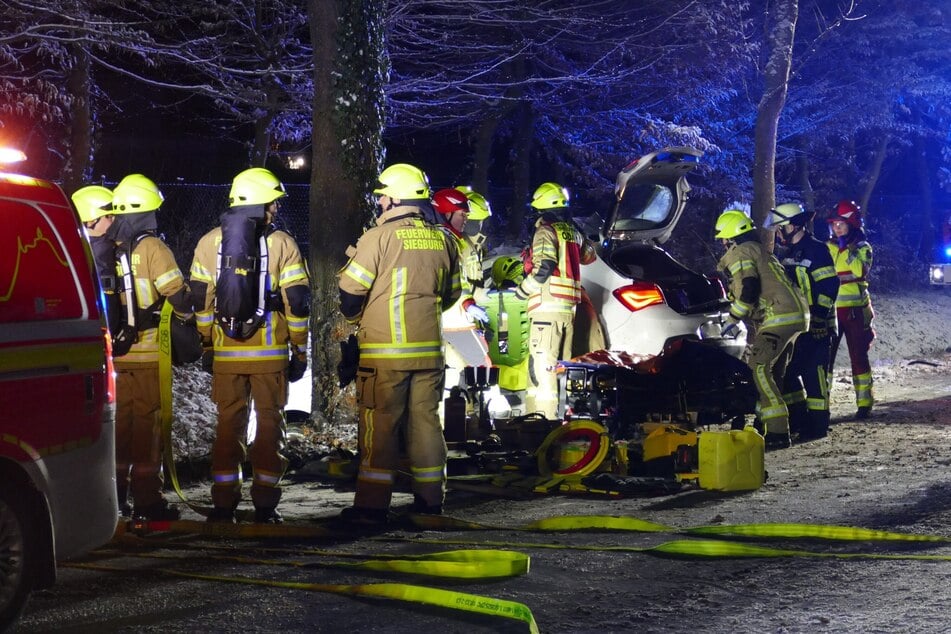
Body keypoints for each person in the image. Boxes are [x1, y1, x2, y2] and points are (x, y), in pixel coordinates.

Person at [338, 163, 461, 524]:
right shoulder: (444, 239)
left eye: (382, 195)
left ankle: (373, 507)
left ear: (393, 197)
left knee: (381, 425)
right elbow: (452, 293)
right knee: (426, 423)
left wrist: (357, 320)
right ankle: (430, 501)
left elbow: (349, 294)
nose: (379, 201)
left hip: (384, 354)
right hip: (429, 354)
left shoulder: (378, 238)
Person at [189, 167, 310, 524]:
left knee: (228, 425)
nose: (275, 209)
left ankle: (223, 504)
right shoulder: (282, 244)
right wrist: (300, 349)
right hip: (271, 356)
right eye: (273, 202)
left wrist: (208, 344)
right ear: (261, 204)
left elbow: (201, 299)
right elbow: (297, 302)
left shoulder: (209, 242)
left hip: (226, 354)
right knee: (270, 425)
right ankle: (265, 506)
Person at [108, 174, 193, 520]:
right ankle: (148, 501)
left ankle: (113, 499)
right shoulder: (154, 249)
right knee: (148, 430)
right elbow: (178, 295)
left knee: (119, 431)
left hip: (116, 357)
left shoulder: (107, 251)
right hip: (147, 355)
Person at [715, 208, 809, 450]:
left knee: (758, 368)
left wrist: (733, 318)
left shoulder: (741, 252)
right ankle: (763, 424)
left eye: (723, 239)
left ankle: (778, 432)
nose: (723, 244)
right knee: (775, 373)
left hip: (779, 317)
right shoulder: (760, 251)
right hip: (796, 315)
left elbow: (749, 289)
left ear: (730, 237)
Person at [514, 182, 596, 420]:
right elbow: (589, 256)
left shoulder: (546, 231)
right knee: (562, 369)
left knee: (542, 371)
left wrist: (522, 291)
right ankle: (562, 420)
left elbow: (545, 267)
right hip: (568, 311)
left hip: (546, 312)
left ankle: (541, 423)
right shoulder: (571, 232)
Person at [766, 202, 840, 440]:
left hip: (818, 326)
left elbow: (829, 285)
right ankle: (798, 419)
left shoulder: (817, 250)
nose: (779, 233)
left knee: (814, 374)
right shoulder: (787, 254)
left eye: (782, 228)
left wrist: (819, 316)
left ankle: (817, 426)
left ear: (796, 226)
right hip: (796, 326)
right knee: (787, 373)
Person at [432, 188, 491, 390]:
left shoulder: (455, 239)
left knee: (454, 370)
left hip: (454, 317)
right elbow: (451, 281)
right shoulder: (445, 240)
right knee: (482, 368)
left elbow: (462, 280)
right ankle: (492, 414)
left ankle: (448, 417)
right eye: (462, 214)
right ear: (446, 213)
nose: (466, 219)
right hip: (454, 320)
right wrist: (468, 304)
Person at [827, 199, 875, 419]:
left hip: (855, 310)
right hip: (832, 310)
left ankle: (864, 403)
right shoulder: (829, 247)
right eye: (834, 224)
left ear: (852, 224)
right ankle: (821, 405)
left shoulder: (863, 248)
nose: (836, 227)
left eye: (841, 224)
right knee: (825, 358)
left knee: (858, 356)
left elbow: (859, 272)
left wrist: (847, 248)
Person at [71, 185, 122, 337]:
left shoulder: (75, 245)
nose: (114, 221)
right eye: (109, 216)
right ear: (91, 220)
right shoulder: (102, 250)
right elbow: (109, 307)